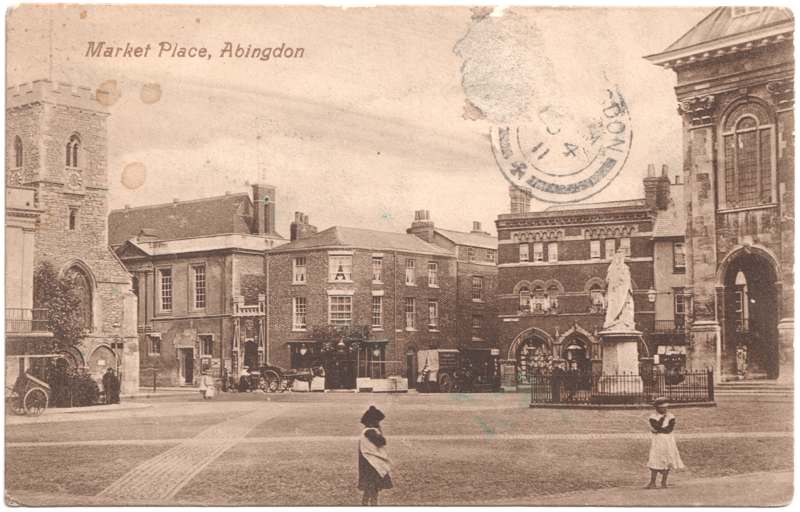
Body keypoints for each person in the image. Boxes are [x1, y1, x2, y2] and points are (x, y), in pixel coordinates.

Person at [646, 397, 685, 489]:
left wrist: (658, 430)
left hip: (668, 440)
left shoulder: (671, 416)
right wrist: (662, 419)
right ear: (657, 408)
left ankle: (664, 482)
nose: (665, 409)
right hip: (658, 440)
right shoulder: (653, 417)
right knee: (655, 458)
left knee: (667, 458)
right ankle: (652, 482)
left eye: (666, 407)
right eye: (662, 407)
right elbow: (657, 426)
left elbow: (669, 429)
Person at [358, 406, 393, 505]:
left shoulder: (368, 431)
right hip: (371, 463)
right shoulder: (370, 432)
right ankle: (371, 504)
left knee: (370, 487)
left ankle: (368, 504)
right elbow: (382, 442)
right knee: (372, 486)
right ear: (372, 422)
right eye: (377, 421)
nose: (378, 423)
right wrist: (380, 431)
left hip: (368, 462)